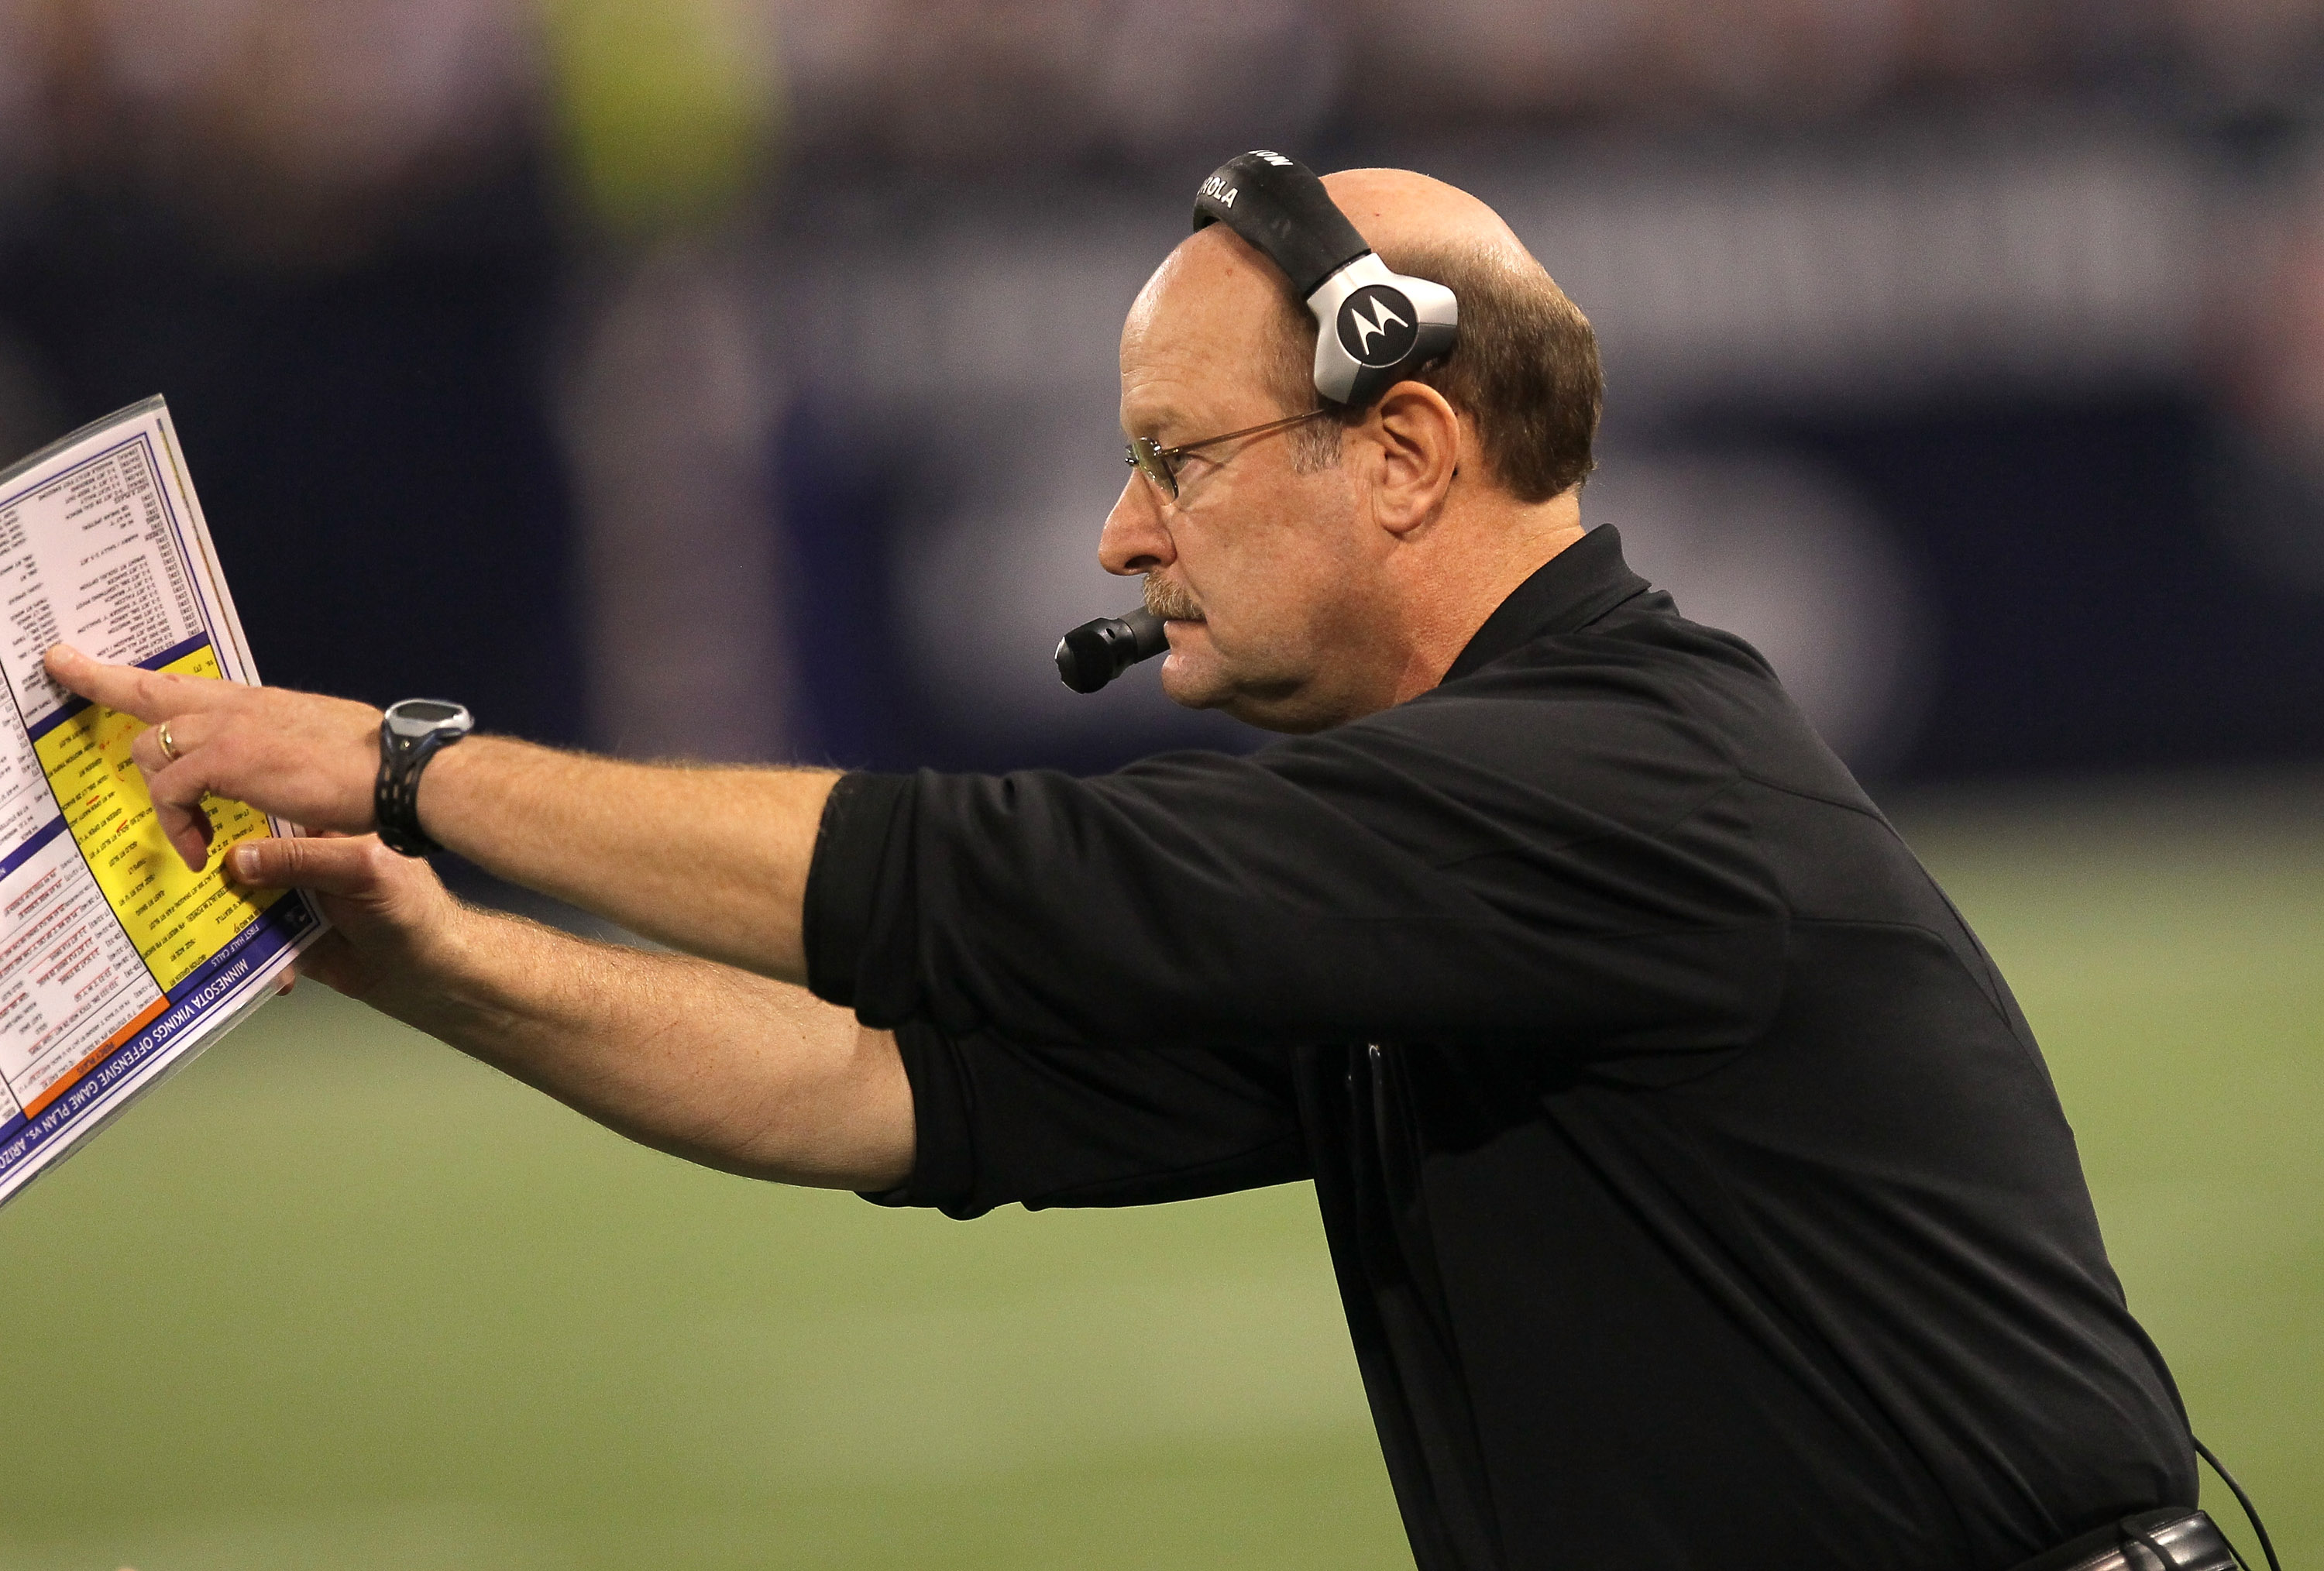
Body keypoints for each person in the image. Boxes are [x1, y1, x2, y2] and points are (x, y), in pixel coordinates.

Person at [43, 162, 2202, 1570]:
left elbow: (992, 881)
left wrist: (419, 767)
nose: (1119, 534)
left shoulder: (1616, 774)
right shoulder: (1475, 847)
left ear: (1405, 450)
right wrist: (432, 956)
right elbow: (883, 1084)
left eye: (1176, 458)